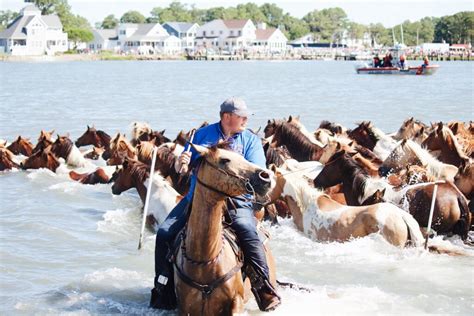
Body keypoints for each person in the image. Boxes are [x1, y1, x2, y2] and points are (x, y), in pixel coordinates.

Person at [150, 97, 281, 312]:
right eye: (242, 116)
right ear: (227, 116)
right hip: (198, 198)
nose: (246, 119)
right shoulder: (202, 135)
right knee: (164, 233)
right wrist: (180, 163)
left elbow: (256, 170)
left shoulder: (250, 140)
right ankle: (163, 287)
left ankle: (263, 288)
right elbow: (183, 163)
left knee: (248, 231)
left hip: (237, 200)